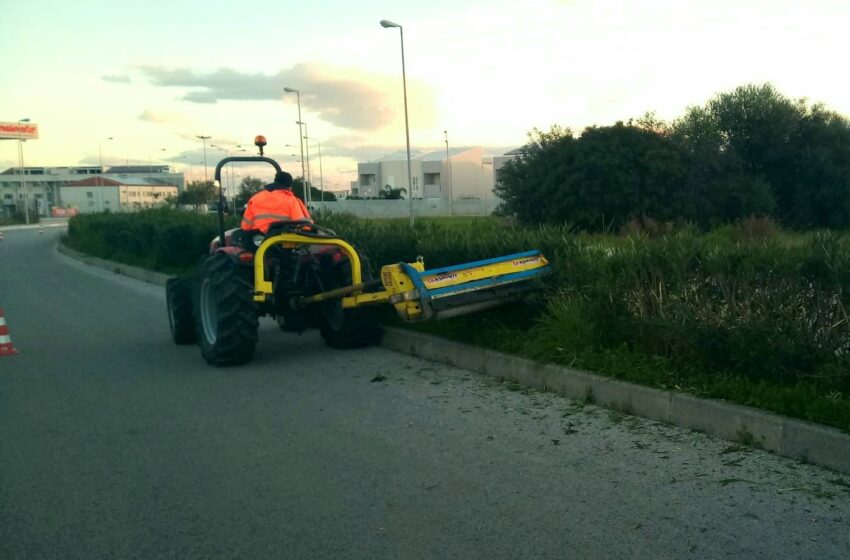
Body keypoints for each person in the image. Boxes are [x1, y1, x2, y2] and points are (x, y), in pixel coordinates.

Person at [240, 171, 312, 232]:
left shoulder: (255, 199)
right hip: (284, 242)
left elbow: (246, 226)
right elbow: (306, 226)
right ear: (289, 187)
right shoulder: (292, 200)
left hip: (260, 241)